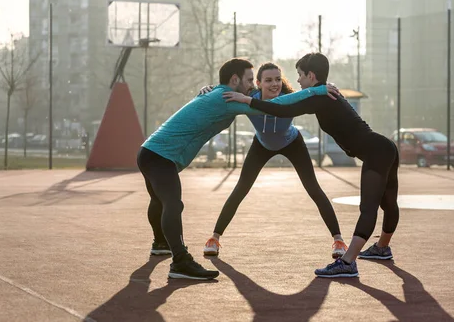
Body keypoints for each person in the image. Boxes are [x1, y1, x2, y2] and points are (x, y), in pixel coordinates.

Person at [138, 58, 340, 280]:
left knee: (159, 201)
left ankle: (160, 243)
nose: (253, 84)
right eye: (250, 80)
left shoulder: (228, 95)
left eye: (274, 80)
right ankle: (182, 259)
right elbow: (271, 105)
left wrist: (317, 91)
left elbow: (281, 102)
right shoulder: (231, 99)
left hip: (151, 152)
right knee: (173, 203)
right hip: (161, 155)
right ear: (235, 80)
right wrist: (319, 89)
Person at [222, 53, 400, 278]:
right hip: (385, 148)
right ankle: (382, 248)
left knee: (369, 208)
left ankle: (348, 262)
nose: (297, 80)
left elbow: (282, 109)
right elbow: (287, 103)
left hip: (376, 152)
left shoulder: (322, 97)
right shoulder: (324, 93)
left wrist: (246, 100)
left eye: (300, 75)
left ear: (311, 75)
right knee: (388, 202)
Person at [197, 62, 347, 259]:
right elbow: (225, 93)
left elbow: (309, 94)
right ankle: (214, 238)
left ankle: (338, 240)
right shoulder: (248, 98)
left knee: (313, 188)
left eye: (277, 79)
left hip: (292, 142)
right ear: (258, 83)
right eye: (268, 80)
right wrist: (209, 90)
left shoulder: (290, 99)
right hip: (261, 145)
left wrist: (322, 88)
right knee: (240, 189)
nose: (274, 84)